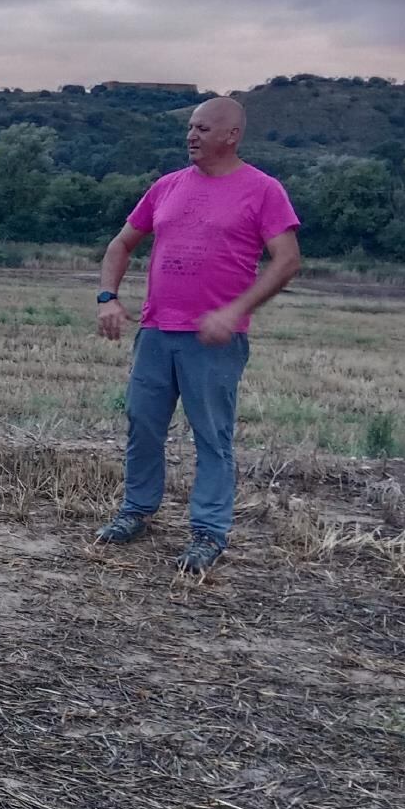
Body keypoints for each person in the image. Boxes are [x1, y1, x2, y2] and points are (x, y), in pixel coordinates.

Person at [93, 96, 301, 574]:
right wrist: (108, 297)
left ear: (232, 135)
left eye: (204, 128)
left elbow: (287, 260)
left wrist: (236, 311)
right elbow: (121, 244)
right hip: (156, 330)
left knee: (212, 436)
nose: (192, 135)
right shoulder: (166, 186)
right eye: (190, 127)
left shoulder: (263, 190)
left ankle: (208, 532)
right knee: (143, 426)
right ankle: (137, 511)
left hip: (213, 341)